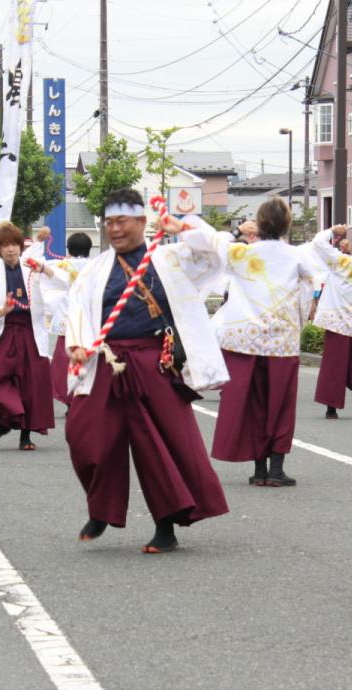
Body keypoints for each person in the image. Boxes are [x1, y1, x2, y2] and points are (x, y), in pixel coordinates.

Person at [66, 188, 229, 553]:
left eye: (122, 221)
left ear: (142, 221)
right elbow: (77, 308)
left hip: (154, 360)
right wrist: (77, 344)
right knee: (84, 437)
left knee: (161, 444)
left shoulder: (171, 258)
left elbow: (214, 254)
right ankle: (102, 508)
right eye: (108, 222)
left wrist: (184, 226)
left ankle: (165, 525)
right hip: (107, 360)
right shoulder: (94, 270)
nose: (114, 229)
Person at [209, 197, 316, 487]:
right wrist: (301, 318)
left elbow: (212, 250)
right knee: (281, 404)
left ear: (259, 223)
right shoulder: (297, 256)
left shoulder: (243, 253)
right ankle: (276, 468)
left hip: (245, 338)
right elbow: (310, 287)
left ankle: (258, 469)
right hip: (282, 339)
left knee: (253, 402)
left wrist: (236, 232)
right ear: (287, 224)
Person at [0, 223, 56, 451]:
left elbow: (56, 282)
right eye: (5, 246)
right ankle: (4, 419)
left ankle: (25, 436)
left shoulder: (32, 270)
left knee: (30, 382)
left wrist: (45, 267)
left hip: (30, 329)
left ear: (21, 247)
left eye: (14, 245)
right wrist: (1, 310)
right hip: (5, 330)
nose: (10, 250)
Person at [308, 225, 352, 419]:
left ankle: (332, 407)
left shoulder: (340, 261)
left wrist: (333, 231)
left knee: (333, 364)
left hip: (337, 320)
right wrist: (347, 251)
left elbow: (318, 243)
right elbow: (351, 263)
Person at [42, 232, 91, 405]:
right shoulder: (96, 266)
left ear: (68, 249)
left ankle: (68, 397)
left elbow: (46, 273)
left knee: (63, 360)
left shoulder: (61, 265)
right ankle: (85, 395)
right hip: (88, 320)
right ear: (89, 249)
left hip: (67, 317)